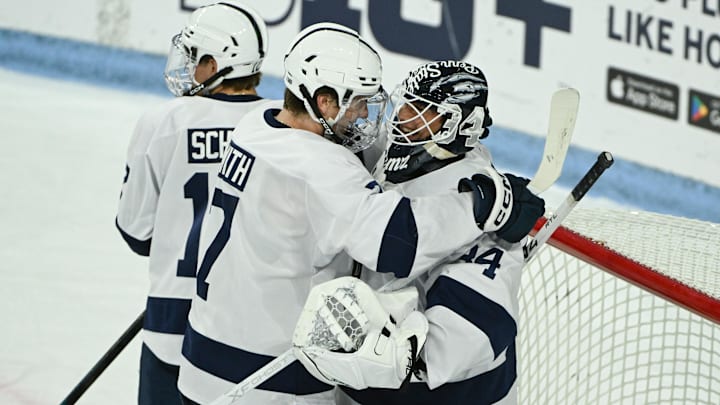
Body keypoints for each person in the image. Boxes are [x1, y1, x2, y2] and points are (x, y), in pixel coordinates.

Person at [176, 23, 544, 405]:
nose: (370, 114)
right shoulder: (321, 169)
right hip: (269, 380)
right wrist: (484, 205)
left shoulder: (258, 124)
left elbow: (364, 155)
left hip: (202, 353)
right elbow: (396, 240)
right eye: (357, 102)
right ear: (323, 102)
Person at [332, 60, 529, 404]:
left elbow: (469, 336)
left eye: (421, 110)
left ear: (456, 124)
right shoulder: (415, 153)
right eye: (405, 103)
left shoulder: (485, 212)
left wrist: (361, 347)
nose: (402, 116)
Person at [114, 2, 269, 403]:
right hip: (250, 333)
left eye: (195, 57)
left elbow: (137, 233)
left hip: (171, 325)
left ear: (215, 63)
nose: (188, 67)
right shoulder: (277, 126)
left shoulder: (163, 122)